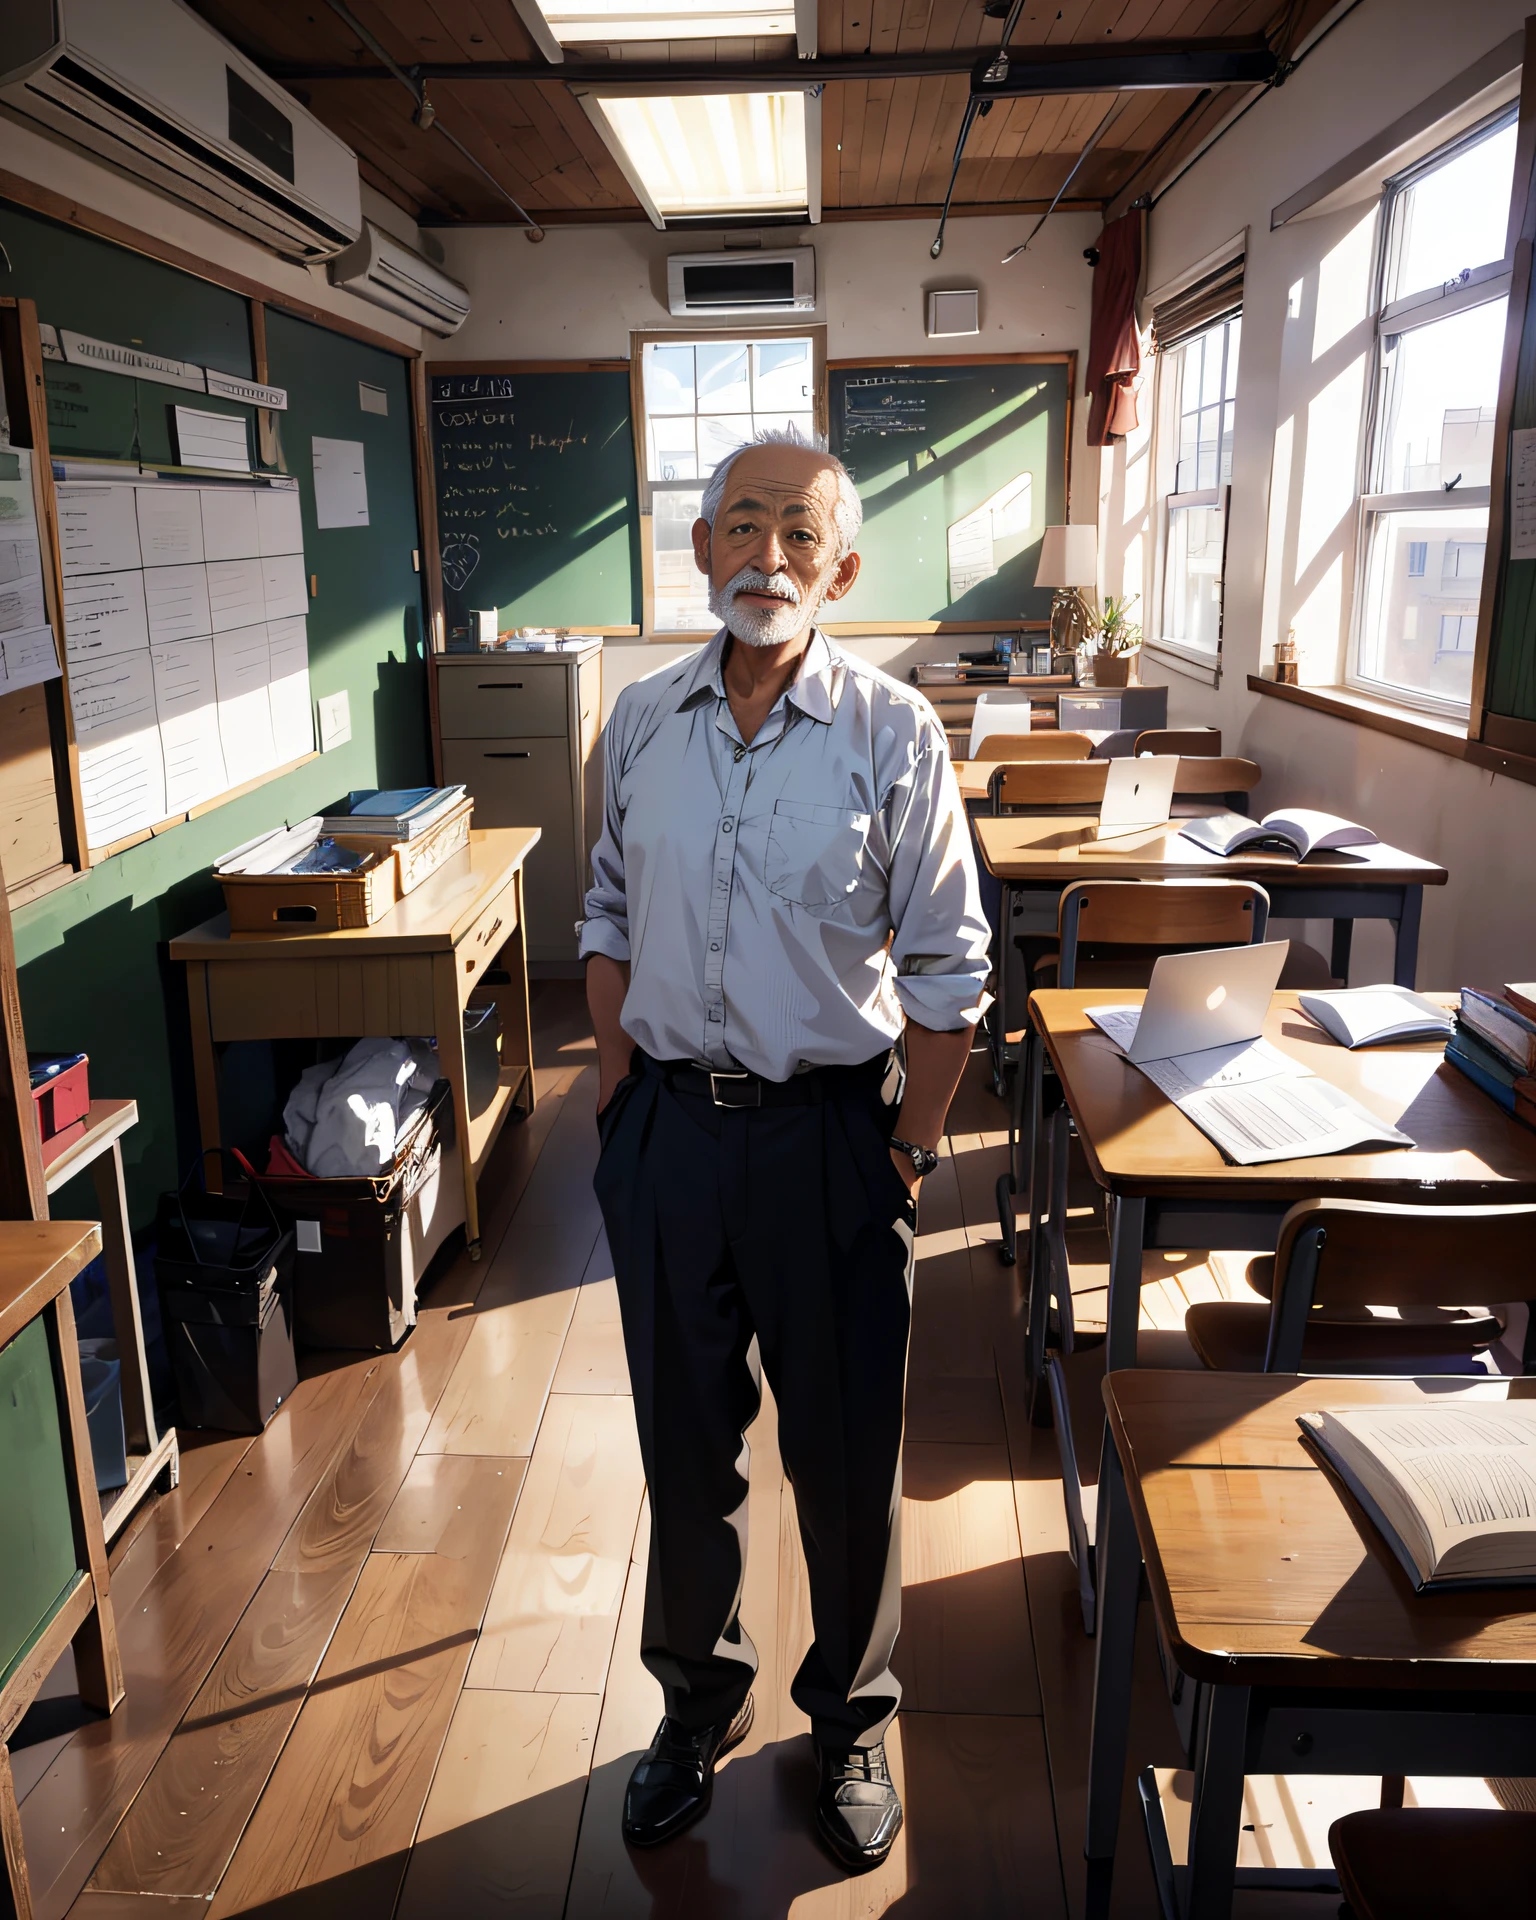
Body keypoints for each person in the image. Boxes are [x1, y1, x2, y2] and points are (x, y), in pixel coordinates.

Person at [579, 427, 989, 1874]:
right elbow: (608, 913)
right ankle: (695, 1708)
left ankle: (853, 1713)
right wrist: (627, 1104)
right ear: (698, 550)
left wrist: (908, 1158)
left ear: (844, 568)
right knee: (686, 1451)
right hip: (670, 1144)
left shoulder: (893, 731)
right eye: (741, 525)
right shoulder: (636, 721)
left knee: (842, 1450)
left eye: (798, 534)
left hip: (832, 1145)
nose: (767, 556)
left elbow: (949, 970)